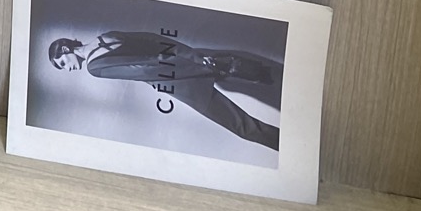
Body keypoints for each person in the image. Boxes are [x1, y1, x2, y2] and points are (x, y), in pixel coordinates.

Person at [48, 29, 283, 151]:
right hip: (188, 58)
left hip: (181, 80)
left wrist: (195, 68)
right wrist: (194, 56)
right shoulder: (105, 37)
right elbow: (153, 39)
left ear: (65, 49)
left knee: (244, 127)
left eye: (62, 63)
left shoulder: (94, 67)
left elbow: (144, 71)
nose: (67, 69)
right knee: (261, 73)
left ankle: (292, 152)